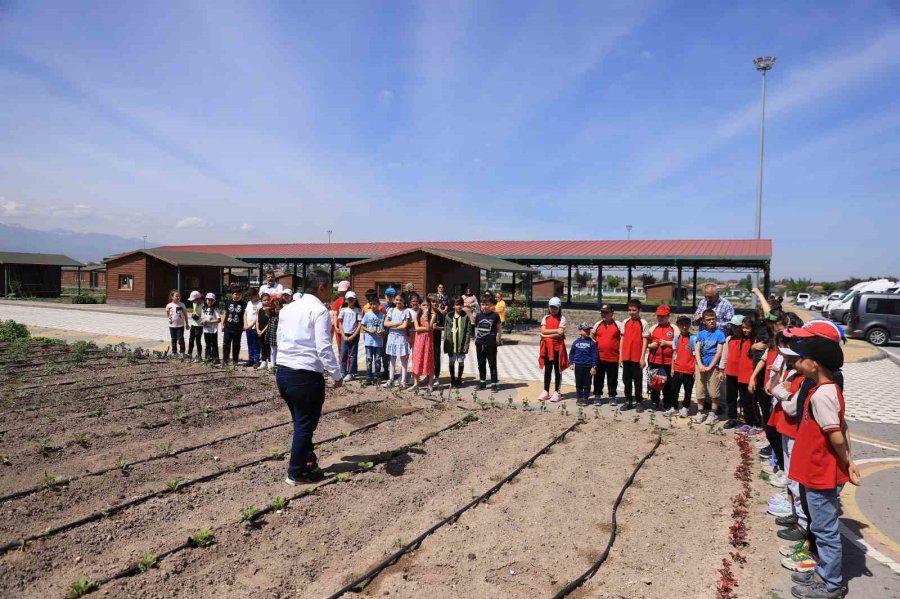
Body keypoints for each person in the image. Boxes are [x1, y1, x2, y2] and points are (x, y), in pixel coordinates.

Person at [779, 329, 860, 599]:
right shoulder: (824, 388)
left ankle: (831, 583)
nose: (796, 362)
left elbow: (836, 434)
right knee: (821, 527)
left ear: (814, 364)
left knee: (825, 530)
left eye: (801, 359)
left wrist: (848, 461)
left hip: (820, 471)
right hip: (816, 469)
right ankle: (824, 571)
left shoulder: (821, 395)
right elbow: (843, 426)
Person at [276, 270, 343, 485]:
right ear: (321, 286)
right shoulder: (319, 311)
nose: (331, 293)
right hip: (305, 375)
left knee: (300, 423)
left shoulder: (288, 308)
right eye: (330, 288)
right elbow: (323, 346)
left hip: (284, 372)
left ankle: (308, 461)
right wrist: (336, 374)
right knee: (305, 426)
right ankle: (296, 472)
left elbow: (279, 338)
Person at [693, 308, 726, 423]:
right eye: (709, 320)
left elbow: (719, 352)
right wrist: (700, 365)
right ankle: (700, 412)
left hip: (713, 366)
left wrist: (710, 366)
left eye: (713, 319)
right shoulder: (701, 334)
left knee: (714, 391)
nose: (711, 321)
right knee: (700, 389)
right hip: (700, 365)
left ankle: (713, 413)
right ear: (704, 321)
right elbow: (697, 350)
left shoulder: (720, 334)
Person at [718, 314, 749, 429]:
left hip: (744, 374)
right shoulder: (729, 339)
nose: (735, 329)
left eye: (737, 326)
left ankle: (746, 418)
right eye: (733, 326)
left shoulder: (748, 340)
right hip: (731, 373)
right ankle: (732, 418)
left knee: (745, 397)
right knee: (731, 397)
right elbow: (724, 356)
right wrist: (721, 370)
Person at [619, 299, 650, 411]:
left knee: (637, 380)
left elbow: (645, 341)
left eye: (634, 310)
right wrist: (620, 357)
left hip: (637, 357)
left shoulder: (643, 323)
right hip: (626, 356)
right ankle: (628, 400)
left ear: (639, 310)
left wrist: (642, 358)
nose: (631, 312)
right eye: (630, 310)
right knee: (626, 380)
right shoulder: (625, 322)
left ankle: (639, 401)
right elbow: (622, 339)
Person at [538, 297, 568, 402]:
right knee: (548, 370)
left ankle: (557, 392)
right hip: (547, 348)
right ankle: (546, 391)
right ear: (549, 307)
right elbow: (543, 330)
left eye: (555, 307)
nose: (553, 309)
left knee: (557, 370)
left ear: (559, 308)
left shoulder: (562, 319)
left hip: (558, 348)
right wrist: (555, 332)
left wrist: (546, 333)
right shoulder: (545, 318)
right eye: (551, 307)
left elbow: (560, 332)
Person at [647, 304, 675, 411]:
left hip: (668, 361)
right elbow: (646, 342)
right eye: (659, 316)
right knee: (655, 382)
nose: (660, 318)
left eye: (663, 316)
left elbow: (677, 343)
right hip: (654, 360)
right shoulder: (653, 328)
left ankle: (667, 402)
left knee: (668, 384)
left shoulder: (673, 329)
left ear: (668, 316)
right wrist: (651, 346)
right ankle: (655, 401)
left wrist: (667, 343)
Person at [591, 304, 621, 404]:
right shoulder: (598, 324)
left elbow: (623, 339)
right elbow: (593, 336)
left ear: (612, 313)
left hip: (613, 357)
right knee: (598, 378)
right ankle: (597, 396)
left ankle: (612, 396)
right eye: (602, 312)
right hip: (599, 357)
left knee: (612, 379)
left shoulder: (618, 325)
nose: (603, 314)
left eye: (606, 312)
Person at [472, 294, 502, 391]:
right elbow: (477, 328)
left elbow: (499, 330)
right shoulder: (479, 315)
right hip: (480, 343)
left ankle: (494, 384)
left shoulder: (495, 316)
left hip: (491, 344)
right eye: (483, 304)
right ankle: (482, 383)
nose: (484, 306)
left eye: (487, 304)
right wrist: (476, 340)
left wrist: (498, 340)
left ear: (492, 305)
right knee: (481, 363)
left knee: (492, 363)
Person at [383, 295, 413, 388]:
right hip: (392, 337)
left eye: (400, 300)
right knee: (392, 358)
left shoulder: (406, 311)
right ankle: (391, 379)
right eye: (397, 299)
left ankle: (403, 381)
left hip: (401, 337)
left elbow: (404, 326)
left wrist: (391, 326)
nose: (398, 301)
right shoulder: (390, 310)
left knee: (404, 359)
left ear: (404, 300)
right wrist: (397, 323)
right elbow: (385, 323)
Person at [671, 314, 697, 418]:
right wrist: (672, 368)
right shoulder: (676, 339)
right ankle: (673, 406)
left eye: (686, 324)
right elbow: (674, 354)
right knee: (674, 390)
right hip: (677, 369)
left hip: (689, 370)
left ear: (690, 324)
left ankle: (685, 407)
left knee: (688, 391)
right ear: (678, 325)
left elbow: (696, 356)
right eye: (682, 324)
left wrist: (695, 370)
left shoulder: (693, 339)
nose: (684, 326)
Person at [444, 298, 472, 388]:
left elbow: (468, 331)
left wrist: (466, 344)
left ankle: (459, 378)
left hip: (461, 344)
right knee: (451, 361)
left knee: (461, 361)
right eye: (456, 304)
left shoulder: (465, 316)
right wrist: (446, 345)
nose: (458, 306)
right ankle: (452, 378)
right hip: (452, 344)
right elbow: (446, 330)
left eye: (460, 304)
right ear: (453, 306)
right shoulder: (449, 316)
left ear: (462, 305)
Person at [568, 323, 598, 405]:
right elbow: (571, 354)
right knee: (579, 383)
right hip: (578, 366)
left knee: (587, 384)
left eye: (589, 329)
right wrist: (571, 363)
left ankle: (585, 398)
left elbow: (595, 355)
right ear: (580, 331)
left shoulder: (592, 343)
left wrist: (594, 367)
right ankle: (579, 398)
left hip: (588, 366)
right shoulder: (576, 342)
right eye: (585, 330)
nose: (588, 331)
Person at [411, 296, 436, 392]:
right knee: (417, 359)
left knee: (428, 360)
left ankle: (430, 384)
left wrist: (425, 317)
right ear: (420, 305)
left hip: (428, 340)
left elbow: (428, 327)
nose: (426, 307)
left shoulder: (433, 315)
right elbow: (417, 328)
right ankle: (416, 383)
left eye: (427, 305)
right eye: (423, 305)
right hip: (419, 340)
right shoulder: (416, 315)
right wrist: (426, 327)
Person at [360, 293, 385, 385]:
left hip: (378, 341)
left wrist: (382, 332)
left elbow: (384, 328)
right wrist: (369, 329)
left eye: (374, 304)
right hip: (369, 341)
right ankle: (368, 376)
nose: (373, 306)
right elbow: (362, 325)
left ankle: (376, 376)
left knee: (378, 359)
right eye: (371, 304)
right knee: (369, 359)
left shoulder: (382, 315)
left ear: (379, 304)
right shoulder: (367, 314)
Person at [337, 291, 362, 380]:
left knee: (353, 354)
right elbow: (340, 322)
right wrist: (343, 335)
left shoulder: (358, 310)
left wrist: (353, 336)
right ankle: (342, 371)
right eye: (349, 299)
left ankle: (351, 373)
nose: (351, 300)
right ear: (346, 300)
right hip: (345, 334)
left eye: (352, 299)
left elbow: (359, 324)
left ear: (355, 300)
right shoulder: (343, 310)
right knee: (343, 353)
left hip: (354, 335)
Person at [221, 288, 245, 368]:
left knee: (236, 345)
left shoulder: (244, 303)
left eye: (238, 294)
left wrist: (245, 325)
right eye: (235, 294)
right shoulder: (228, 302)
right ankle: (225, 360)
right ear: (232, 295)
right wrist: (222, 324)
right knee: (226, 344)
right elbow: (225, 313)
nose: (237, 296)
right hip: (228, 326)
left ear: (241, 295)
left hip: (238, 327)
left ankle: (235, 360)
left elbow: (245, 315)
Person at [165, 290, 188, 355]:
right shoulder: (169, 305)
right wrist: (170, 318)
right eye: (176, 296)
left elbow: (185, 315)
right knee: (173, 339)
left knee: (180, 339)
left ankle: (182, 352)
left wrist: (187, 324)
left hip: (180, 325)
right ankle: (174, 352)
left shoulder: (182, 304)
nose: (178, 297)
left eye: (179, 296)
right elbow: (167, 313)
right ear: (172, 297)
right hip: (172, 326)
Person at [244, 287, 262, 367]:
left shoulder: (260, 304)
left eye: (252, 296)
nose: (250, 298)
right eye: (249, 297)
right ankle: (250, 359)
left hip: (255, 328)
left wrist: (251, 326)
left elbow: (258, 317)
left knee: (256, 344)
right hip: (248, 327)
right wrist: (245, 324)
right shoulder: (249, 303)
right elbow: (245, 314)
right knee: (249, 344)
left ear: (256, 295)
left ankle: (256, 360)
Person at [201, 292, 220, 363]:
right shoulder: (204, 308)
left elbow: (219, 320)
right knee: (207, 344)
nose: (210, 301)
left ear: (214, 301)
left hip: (213, 330)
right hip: (206, 330)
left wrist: (210, 322)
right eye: (208, 299)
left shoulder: (215, 309)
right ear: (206, 300)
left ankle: (215, 358)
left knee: (214, 344)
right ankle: (207, 357)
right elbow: (202, 318)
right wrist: (203, 321)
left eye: (212, 300)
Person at [187, 290, 204, 360]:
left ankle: (199, 355)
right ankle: (189, 354)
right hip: (193, 324)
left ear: (198, 298)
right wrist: (193, 314)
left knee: (198, 341)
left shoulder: (204, 305)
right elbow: (194, 311)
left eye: (194, 300)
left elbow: (204, 315)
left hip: (200, 325)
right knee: (191, 340)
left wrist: (198, 315)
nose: (193, 302)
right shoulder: (194, 304)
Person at [256, 293, 272, 370]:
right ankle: (263, 361)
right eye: (264, 300)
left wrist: (262, 331)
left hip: (268, 332)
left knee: (268, 347)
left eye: (268, 300)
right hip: (260, 331)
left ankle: (269, 362)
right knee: (262, 346)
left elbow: (270, 322)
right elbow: (257, 320)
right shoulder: (260, 310)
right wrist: (258, 329)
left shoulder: (271, 310)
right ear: (261, 301)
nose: (266, 301)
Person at [266, 296, 282, 369]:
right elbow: (265, 310)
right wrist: (272, 306)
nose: (274, 303)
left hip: (281, 332)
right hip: (273, 332)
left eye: (276, 302)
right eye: (273, 302)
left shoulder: (282, 311)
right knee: (273, 349)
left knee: (280, 349)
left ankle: (279, 364)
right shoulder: (270, 311)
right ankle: (272, 365)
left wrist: (278, 306)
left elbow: (279, 311)